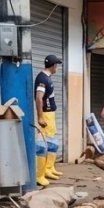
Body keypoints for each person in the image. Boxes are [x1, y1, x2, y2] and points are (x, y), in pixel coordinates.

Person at [34, 54, 64, 186]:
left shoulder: (47, 78)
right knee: (42, 145)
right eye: (56, 65)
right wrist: (40, 116)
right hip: (45, 114)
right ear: (53, 66)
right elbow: (39, 98)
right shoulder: (42, 79)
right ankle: (39, 175)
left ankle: (49, 168)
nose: (56, 67)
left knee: (53, 143)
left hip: (50, 114)